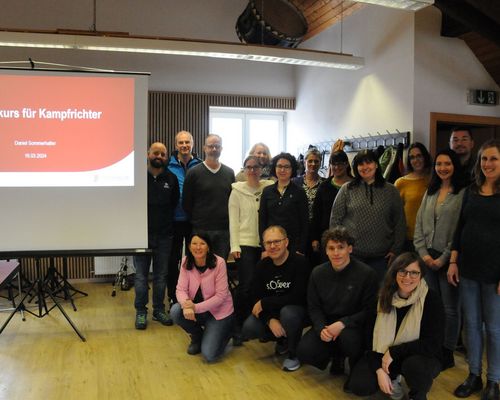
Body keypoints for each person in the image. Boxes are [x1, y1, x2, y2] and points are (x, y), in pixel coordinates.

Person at [348, 252, 445, 400]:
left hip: (418, 355)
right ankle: (392, 378)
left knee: (416, 367)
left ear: (421, 275)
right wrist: (379, 370)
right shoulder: (382, 297)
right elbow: (369, 340)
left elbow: (433, 344)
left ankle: (417, 394)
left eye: (414, 273)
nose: (407, 277)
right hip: (383, 355)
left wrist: (394, 352)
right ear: (394, 273)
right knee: (359, 385)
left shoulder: (431, 299)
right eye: (402, 271)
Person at [448, 139, 500, 400]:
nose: (487, 164)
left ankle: (494, 380)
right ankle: (473, 375)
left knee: (493, 328)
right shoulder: (470, 191)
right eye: (484, 159)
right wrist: (454, 261)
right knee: (471, 325)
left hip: (495, 274)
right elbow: (460, 228)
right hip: (467, 269)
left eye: (493, 159)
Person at [296, 227, 377, 386]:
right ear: (325, 251)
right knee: (305, 350)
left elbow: (370, 310)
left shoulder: (367, 274)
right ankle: (336, 358)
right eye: (331, 248)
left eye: (341, 247)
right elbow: (314, 307)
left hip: (354, 326)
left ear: (350, 249)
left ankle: (355, 363)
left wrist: (343, 323)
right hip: (328, 323)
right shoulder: (317, 273)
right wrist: (321, 329)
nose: (336, 253)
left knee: (348, 339)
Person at [413, 148, 464, 370]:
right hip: (427, 258)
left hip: (448, 260)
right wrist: (424, 254)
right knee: (431, 306)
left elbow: (460, 231)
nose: (443, 168)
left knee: (450, 308)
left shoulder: (463, 193)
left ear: (455, 166)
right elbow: (419, 226)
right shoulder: (430, 191)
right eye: (439, 164)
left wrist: (443, 259)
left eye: (447, 164)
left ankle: (447, 351)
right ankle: (433, 346)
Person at [330, 149, 406, 282]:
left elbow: (400, 222)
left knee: (377, 297)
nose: (365, 167)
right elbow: (335, 221)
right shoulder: (347, 189)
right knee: (353, 295)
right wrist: (340, 248)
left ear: (376, 164)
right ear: (356, 168)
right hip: (352, 256)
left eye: (369, 162)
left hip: (381, 258)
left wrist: (396, 250)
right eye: (360, 164)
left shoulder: (391, 191)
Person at [242, 226, 310, 372]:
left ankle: (293, 353)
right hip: (273, 312)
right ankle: (282, 340)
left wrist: (265, 302)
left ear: (286, 242)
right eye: (268, 243)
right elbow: (254, 297)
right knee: (249, 328)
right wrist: (269, 319)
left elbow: (298, 296)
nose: (272, 246)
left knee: (288, 313)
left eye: (277, 241)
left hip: (297, 310)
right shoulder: (262, 266)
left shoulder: (300, 263)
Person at [134, 142, 180, 330]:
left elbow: (174, 201)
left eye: (162, 153)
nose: (159, 156)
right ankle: (141, 311)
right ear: (148, 154)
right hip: (140, 236)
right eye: (156, 153)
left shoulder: (172, 178)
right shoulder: (138, 177)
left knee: (161, 276)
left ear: (166, 156)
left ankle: (159, 309)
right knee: (140, 276)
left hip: (164, 236)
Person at [228, 155, 273, 343]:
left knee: (262, 285)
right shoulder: (236, 191)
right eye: (248, 167)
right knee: (245, 286)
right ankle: (238, 325)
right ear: (244, 170)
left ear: (261, 169)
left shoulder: (268, 188)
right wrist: (234, 245)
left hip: (264, 245)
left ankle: (258, 324)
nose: (252, 171)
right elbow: (233, 221)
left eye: (256, 167)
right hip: (244, 245)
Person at [170, 233, 234, 362]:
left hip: (219, 313)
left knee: (209, 355)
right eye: (194, 243)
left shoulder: (219, 263)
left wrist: (194, 307)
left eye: (202, 244)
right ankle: (198, 336)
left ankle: (227, 332)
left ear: (208, 247)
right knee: (176, 311)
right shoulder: (185, 261)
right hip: (198, 310)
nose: (198, 247)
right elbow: (180, 290)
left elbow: (221, 296)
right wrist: (186, 304)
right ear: (189, 246)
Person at [182, 134, 235, 260]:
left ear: (221, 149)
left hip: (223, 230)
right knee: (199, 267)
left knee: (220, 267)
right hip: (200, 230)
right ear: (204, 148)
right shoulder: (193, 173)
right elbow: (186, 203)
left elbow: (232, 201)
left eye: (217, 146)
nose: (214, 149)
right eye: (211, 146)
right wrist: (198, 220)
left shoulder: (229, 173)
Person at [167, 130, 202, 305]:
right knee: (172, 261)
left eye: (187, 142)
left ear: (192, 144)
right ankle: (173, 297)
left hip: (193, 221)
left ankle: (192, 296)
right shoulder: (168, 164)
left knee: (193, 261)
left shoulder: (200, 165)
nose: (184, 145)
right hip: (173, 220)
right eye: (181, 142)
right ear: (176, 145)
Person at [259, 153, 309, 255]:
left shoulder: (299, 192)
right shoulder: (267, 191)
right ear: (274, 168)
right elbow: (262, 221)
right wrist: (264, 247)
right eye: (279, 166)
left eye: (286, 167)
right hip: (272, 244)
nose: (282, 170)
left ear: (292, 169)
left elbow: (304, 222)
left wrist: (301, 248)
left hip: (293, 245)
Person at [311, 150, 353, 257]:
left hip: (351, 237)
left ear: (347, 164)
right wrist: (315, 238)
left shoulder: (356, 185)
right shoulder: (324, 187)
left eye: (340, 164)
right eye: (333, 164)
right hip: (328, 237)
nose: (337, 167)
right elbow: (317, 214)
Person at [394, 142, 432, 250]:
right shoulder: (401, 183)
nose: (416, 160)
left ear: (425, 157)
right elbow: (395, 214)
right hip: (408, 238)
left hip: (430, 237)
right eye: (412, 157)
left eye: (419, 156)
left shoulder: (433, 180)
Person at [292, 147, 325, 265]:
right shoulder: (294, 183)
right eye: (310, 161)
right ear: (304, 161)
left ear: (320, 163)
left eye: (316, 161)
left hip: (316, 231)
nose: (313, 164)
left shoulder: (325, 184)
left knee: (313, 265)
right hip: (297, 231)